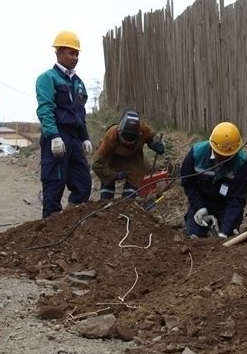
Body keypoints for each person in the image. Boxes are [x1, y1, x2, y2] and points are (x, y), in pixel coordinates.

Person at [35, 31, 92, 218]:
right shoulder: (48, 78)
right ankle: (50, 227)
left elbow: (80, 112)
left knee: (83, 184)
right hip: (58, 136)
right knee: (54, 183)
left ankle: (70, 223)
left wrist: (85, 138)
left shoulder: (78, 82)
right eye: (70, 53)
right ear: (58, 52)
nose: (75, 57)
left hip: (74, 137)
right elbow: (45, 109)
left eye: (77, 54)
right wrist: (53, 136)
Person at [181, 122, 247, 238]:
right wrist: (199, 207)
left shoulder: (241, 162)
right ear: (212, 146)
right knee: (194, 235)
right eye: (221, 155)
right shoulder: (196, 154)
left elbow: (237, 198)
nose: (224, 159)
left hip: (225, 205)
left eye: (229, 156)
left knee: (230, 235)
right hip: (202, 200)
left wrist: (225, 230)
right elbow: (188, 182)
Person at [92, 108, 165, 200]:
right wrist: (115, 175)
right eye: (125, 140)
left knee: (131, 188)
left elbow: (150, 139)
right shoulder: (110, 136)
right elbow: (96, 164)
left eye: (131, 140)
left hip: (133, 158)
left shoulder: (143, 129)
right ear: (119, 132)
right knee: (107, 185)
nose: (128, 143)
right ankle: (105, 204)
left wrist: (155, 145)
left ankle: (127, 204)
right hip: (112, 157)